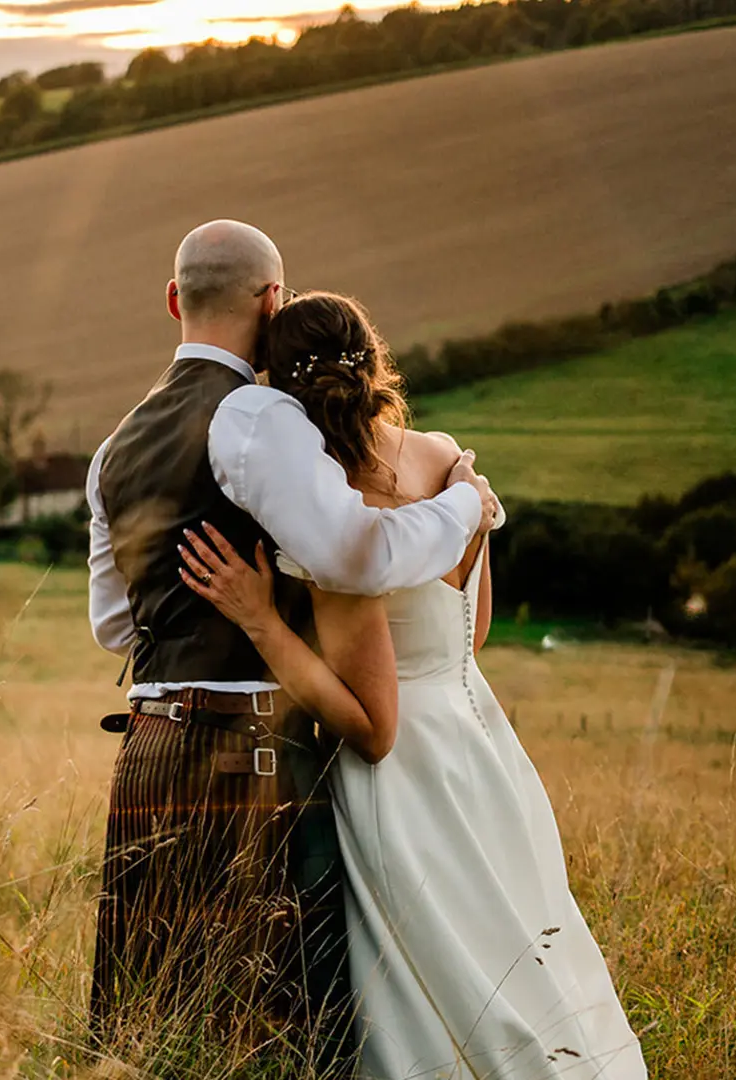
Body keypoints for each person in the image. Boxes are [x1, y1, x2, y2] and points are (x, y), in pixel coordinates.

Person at [179, 291, 648, 1079]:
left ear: (281, 389)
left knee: (438, 979)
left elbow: (372, 728)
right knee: (513, 951)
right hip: (481, 745)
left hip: (401, 784)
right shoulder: (446, 458)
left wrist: (262, 623)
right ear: (374, 360)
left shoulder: (339, 515)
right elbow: (474, 631)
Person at [85, 221, 498, 1070]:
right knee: (282, 1025)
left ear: (174, 300)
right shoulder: (257, 415)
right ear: (273, 301)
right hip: (253, 755)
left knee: (152, 1021)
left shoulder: (114, 446)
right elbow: (357, 555)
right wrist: (466, 504)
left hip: (150, 747)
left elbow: (116, 626)